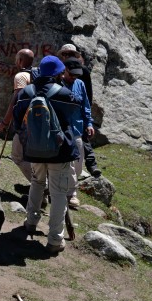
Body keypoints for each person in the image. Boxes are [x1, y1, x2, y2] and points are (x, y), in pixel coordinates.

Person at [12, 55, 82, 254]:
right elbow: (75, 109)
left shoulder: (26, 93)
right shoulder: (63, 93)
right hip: (59, 152)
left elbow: (18, 121)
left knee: (36, 183)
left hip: (33, 150)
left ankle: (30, 222)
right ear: (59, 73)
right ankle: (54, 239)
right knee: (58, 192)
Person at [58, 43, 101, 178]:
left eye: (70, 54)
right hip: (63, 123)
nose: (67, 56)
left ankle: (91, 166)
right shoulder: (58, 75)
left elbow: (87, 95)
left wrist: (87, 120)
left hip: (78, 115)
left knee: (82, 142)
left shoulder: (83, 74)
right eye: (64, 54)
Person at [0, 49, 35, 183]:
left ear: (20, 61)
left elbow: (16, 101)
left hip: (25, 123)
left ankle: (42, 185)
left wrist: (5, 123)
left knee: (17, 156)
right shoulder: (38, 74)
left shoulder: (21, 76)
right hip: (40, 120)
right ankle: (40, 193)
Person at [61, 57, 95, 209]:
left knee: (78, 164)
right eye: (71, 74)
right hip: (61, 130)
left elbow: (85, 105)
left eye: (76, 74)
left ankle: (68, 189)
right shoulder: (57, 84)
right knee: (66, 164)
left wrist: (89, 123)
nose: (74, 77)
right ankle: (71, 194)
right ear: (64, 70)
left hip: (77, 129)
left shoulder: (80, 84)